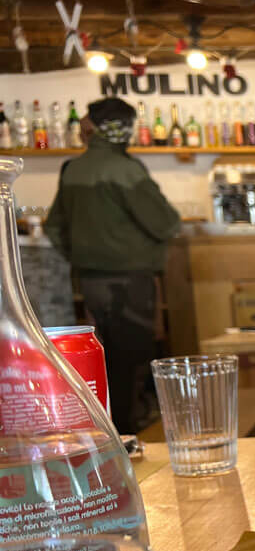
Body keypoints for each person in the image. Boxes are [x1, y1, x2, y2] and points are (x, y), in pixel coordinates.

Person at [46, 97, 180, 433]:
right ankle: (128, 438)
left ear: (91, 127)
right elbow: (165, 224)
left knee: (102, 358)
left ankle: (106, 431)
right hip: (130, 281)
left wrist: (81, 258)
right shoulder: (126, 170)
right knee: (130, 361)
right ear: (124, 129)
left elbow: (52, 227)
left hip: (90, 282)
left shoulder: (73, 169)